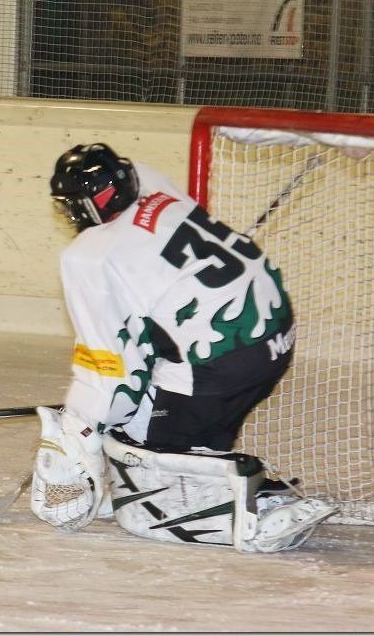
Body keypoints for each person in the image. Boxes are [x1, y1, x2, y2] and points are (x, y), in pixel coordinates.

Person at [32, 142, 337, 553]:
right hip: (274, 339)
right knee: (153, 419)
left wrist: (79, 426)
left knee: (141, 458)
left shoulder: (90, 258)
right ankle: (211, 462)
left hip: (220, 363)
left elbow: (108, 369)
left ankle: (260, 504)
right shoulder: (152, 184)